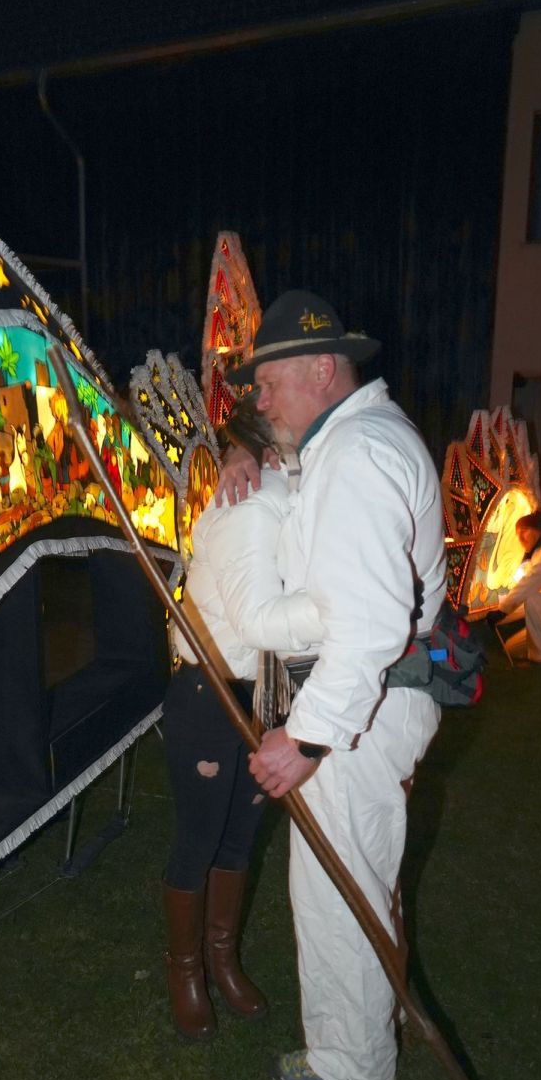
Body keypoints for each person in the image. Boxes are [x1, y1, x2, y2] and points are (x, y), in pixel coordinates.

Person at [219, 289, 446, 1080]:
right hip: (370, 706)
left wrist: (307, 736)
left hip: (360, 710)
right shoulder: (351, 441)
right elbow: (292, 481)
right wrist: (239, 452)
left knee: (339, 893)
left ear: (322, 369)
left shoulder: (357, 455)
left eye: (268, 383)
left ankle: (353, 1064)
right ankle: (374, 1027)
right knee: (360, 877)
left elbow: (372, 622)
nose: (260, 400)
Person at [162, 396, 321, 1041]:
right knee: (200, 839)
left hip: (260, 691)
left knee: (240, 836)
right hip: (209, 690)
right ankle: (185, 970)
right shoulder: (250, 505)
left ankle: (223, 959)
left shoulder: (289, 494)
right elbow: (259, 619)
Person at [487, 511, 541, 664]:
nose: (520, 539)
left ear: (537, 530)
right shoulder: (539, 552)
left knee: (534, 599)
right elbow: (526, 594)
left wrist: (502, 610)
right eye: (517, 535)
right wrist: (501, 614)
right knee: (511, 648)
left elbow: (531, 581)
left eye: (523, 532)